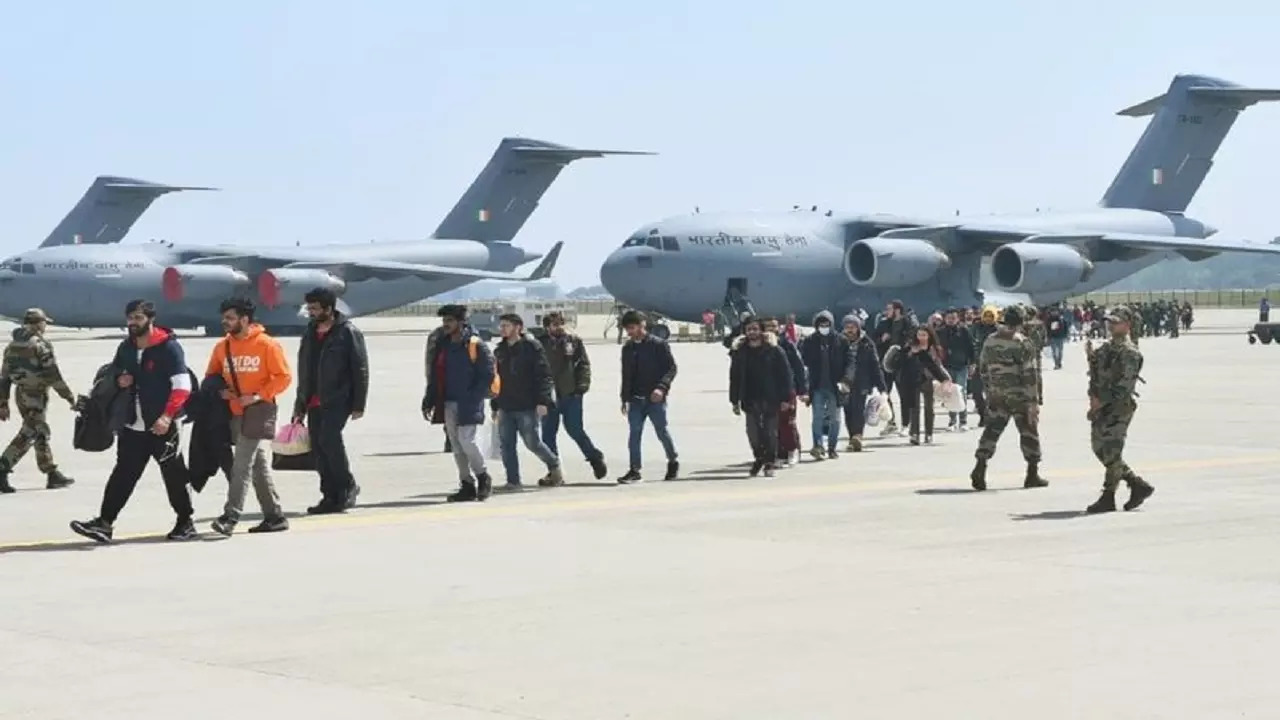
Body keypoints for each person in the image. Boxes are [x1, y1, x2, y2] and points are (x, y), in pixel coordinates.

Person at [70, 300, 196, 544]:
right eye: (130, 318)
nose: (132, 323)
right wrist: (119, 380)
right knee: (123, 475)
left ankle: (185, 522)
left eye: (138, 318)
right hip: (132, 424)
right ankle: (105, 523)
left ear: (150, 319)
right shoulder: (126, 347)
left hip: (162, 425)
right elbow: (113, 373)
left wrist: (167, 416)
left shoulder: (169, 348)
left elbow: (182, 386)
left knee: (174, 474)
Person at [205, 298, 293, 535]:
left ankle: (230, 516)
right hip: (233, 413)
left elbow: (283, 377)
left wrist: (256, 396)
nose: (225, 322)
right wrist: (220, 391)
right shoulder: (222, 347)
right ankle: (274, 516)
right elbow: (211, 376)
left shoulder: (267, 345)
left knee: (241, 465)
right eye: (224, 318)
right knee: (257, 466)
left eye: (230, 318)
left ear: (245, 320)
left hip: (257, 412)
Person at [291, 287, 368, 514]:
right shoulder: (310, 332)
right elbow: (304, 370)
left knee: (330, 441)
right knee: (318, 448)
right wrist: (300, 405)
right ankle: (329, 495)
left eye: (315, 308)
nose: (311, 313)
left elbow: (360, 368)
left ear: (328, 308)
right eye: (309, 308)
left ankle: (346, 487)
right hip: (313, 399)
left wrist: (358, 404)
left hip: (338, 398)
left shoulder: (347, 332)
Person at [969, 306, 1047, 491]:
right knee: (1028, 432)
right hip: (1019, 395)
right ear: (1021, 322)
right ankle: (1032, 473)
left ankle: (980, 466)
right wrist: (1033, 402)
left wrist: (990, 390)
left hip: (997, 394)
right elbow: (1029, 375)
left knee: (992, 430)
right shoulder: (1022, 342)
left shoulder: (990, 340)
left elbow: (983, 368)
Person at [423, 304, 496, 502]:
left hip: (469, 402)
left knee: (467, 441)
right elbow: (435, 374)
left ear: (461, 322)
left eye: (450, 321)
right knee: (456, 445)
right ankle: (466, 484)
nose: (446, 325)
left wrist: (474, 396)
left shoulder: (475, 344)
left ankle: (483, 476)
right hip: (448, 401)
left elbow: (488, 373)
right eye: (444, 321)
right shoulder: (443, 344)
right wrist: (429, 399)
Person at [1085, 307, 1155, 513]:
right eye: (1109, 322)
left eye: (1115, 322)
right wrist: (1093, 398)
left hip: (1119, 408)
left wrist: (1101, 401)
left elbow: (1124, 388)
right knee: (1100, 449)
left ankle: (1108, 496)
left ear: (1127, 325)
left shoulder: (1130, 353)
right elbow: (1095, 376)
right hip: (1101, 406)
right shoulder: (1105, 349)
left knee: (1113, 451)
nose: (1110, 325)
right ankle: (1136, 484)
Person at [0, 308, 78, 492]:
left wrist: (3, 402)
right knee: (29, 433)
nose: (45, 326)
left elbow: (4, 377)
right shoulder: (40, 346)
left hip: (21, 394)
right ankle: (2, 467)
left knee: (39, 431)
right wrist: (68, 397)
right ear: (37, 324)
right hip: (36, 396)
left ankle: (51, 473)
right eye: (44, 322)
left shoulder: (12, 346)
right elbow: (53, 375)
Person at [492, 313, 562, 490]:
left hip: (527, 404)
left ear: (518, 327)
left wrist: (543, 401)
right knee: (506, 445)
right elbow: (495, 379)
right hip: (505, 404)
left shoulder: (532, 347)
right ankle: (513, 481)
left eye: (506, 325)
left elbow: (544, 376)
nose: (502, 329)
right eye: (501, 326)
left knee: (532, 442)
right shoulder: (499, 350)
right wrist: (495, 404)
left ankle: (554, 465)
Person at [539, 311, 607, 479]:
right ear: (547, 327)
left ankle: (594, 458)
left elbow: (583, 364)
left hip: (570, 393)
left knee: (575, 430)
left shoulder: (573, 341)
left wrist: (582, 386)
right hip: (549, 396)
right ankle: (554, 470)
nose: (559, 327)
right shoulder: (539, 344)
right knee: (548, 434)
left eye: (560, 323)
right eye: (554, 324)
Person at [618, 310, 678, 483]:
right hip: (635, 400)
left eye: (632, 327)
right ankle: (634, 470)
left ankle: (673, 460)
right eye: (627, 329)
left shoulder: (658, 345)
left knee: (661, 431)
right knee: (634, 434)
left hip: (654, 399)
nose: (630, 332)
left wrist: (661, 388)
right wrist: (624, 398)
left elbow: (671, 368)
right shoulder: (628, 348)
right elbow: (626, 375)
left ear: (642, 325)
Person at [728, 316, 792, 477]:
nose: (752, 332)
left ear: (761, 331)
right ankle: (759, 457)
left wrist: (785, 399)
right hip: (749, 397)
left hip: (771, 397)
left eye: (755, 329)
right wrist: (734, 400)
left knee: (770, 432)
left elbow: (786, 375)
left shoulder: (774, 350)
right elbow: (734, 377)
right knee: (753, 433)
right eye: (749, 329)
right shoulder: (740, 352)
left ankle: (769, 462)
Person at [798, 311, 855, 460]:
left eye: (827, 325)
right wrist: (803, 388)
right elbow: (803, 364)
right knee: (817, 417)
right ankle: (818, 445)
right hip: (817, 386)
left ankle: (832, 447)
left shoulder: (841, 341)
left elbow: (850, 362)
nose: (824, 327)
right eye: (821, 325)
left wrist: (846, 380)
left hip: (835, 387)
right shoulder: (810, 341)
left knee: (835, 419)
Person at [896, 326, 949, 445]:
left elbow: (933, 366)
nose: (921, 337)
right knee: (914, 408)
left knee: (929, 408)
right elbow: (899, 363)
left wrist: (944, 379)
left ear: (929, 336)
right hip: (912, 380)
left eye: (924, 335)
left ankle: (928, 434)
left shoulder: (931, 349)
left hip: (927, 380)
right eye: (919, 335)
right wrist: (909, 354)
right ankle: (914, 434)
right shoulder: (910, 348)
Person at [763, 316, 805, 466]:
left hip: (786, 389)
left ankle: (793, 450)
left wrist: (802, 390)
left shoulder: (786, 344)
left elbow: (798, 367)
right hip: (768, 392)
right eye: (768, 327)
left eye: (774, 326)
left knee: (787, 422)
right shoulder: (758, 346)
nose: (771, 330)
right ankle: (780, 453)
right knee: (772, 425)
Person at [839, 315, 885, 452]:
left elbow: (875, 365)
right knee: (848, 411)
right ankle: (852, 437)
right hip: (845, 382)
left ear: (858, 328)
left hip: (862, 382)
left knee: (858, 410)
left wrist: (882, 387)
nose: (849, 330)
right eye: (847, 327)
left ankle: (858, 436)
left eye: (852, 327)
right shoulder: (840, 342)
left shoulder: (867, 343)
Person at [937, 309, 975, 431]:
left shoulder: (964, 331)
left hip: (961, 366)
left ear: (958, 318)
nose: (951, 320)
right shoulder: (941, 332)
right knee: (950, 393)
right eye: (949, 318)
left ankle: (963, 421)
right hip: (947, 366)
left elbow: (971, 347)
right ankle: (952, 421)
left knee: (961, 392)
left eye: (953, 318)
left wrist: (972, 363)